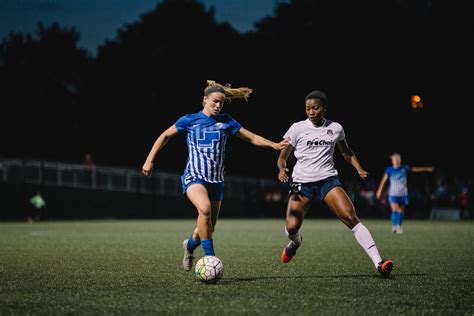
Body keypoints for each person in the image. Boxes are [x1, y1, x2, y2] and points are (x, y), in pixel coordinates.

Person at [142, 80, 288, 272]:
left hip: (216, 181)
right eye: (214, 102)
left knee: (207, 227)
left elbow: (252, 137)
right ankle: (210, 257)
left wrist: (274, 145)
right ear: (205, 100)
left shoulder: (226, 121)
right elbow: (165, 136)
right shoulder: (189, 120)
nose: (218, 105)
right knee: (204, 209)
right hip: (194, 177)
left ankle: (189, 246)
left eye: (221, 102)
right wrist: (149, 159)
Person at [277, 90, 393, 278]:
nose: (311, 112)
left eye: (315, 108)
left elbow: (346, 151)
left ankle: (378, 262)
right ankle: (295, 243)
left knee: (350, 216)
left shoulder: (336, 128)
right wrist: (282, 169)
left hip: (327, 180)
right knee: (291, 228)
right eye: (307, 108)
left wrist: (359, 168)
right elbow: (282, 158)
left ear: (324, 108)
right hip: (302, 183)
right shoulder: (297, 128)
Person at [375, 153, 434, 233]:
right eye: (394, 159)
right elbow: (383, 181)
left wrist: (427, 169)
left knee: (401, 211)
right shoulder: (389, 170)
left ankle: (398, 226)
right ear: (392, 160)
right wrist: (379, 191)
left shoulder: (404, 168)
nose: (396, 160)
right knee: (395, 209)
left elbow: (415, 169)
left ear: (400, 160)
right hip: (393, 193)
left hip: (403, 194)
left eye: (398, 159)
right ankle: (394, 226)